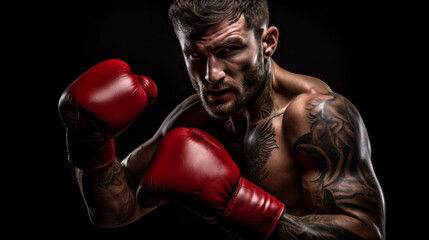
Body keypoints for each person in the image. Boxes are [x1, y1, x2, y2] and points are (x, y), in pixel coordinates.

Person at [58, 0, 386, 239]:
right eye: (196, 56)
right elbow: (117, 210)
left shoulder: (315, 115)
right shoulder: (198, 115)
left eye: (229, 50)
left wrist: (238, 206)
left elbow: (367, 233)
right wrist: (90, 143)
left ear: (267, 42)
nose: (211, 75)